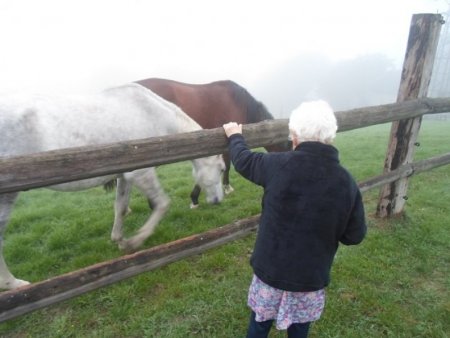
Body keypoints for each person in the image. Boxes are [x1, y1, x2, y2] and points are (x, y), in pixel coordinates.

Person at [222, 100, 367, 338]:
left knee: (259, 323)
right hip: (310, 279)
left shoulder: (276, 165)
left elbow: (244, 161)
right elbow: (355, 235)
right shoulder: (347, 183)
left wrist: (235, 136)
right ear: (331, 136)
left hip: (269, 272)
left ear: (294, 136)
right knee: (299, 329)